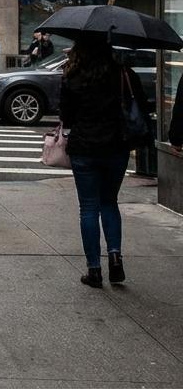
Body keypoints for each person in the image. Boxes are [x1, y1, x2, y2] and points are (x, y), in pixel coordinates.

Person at [59, 37, 144, 287]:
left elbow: (66, 115)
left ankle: (94, 269)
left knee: (88, 208)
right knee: (109, 202)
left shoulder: (72, 76)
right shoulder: (122, 74)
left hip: (84, 147)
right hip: (116, 146)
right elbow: (137, 102)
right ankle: (115, 256)